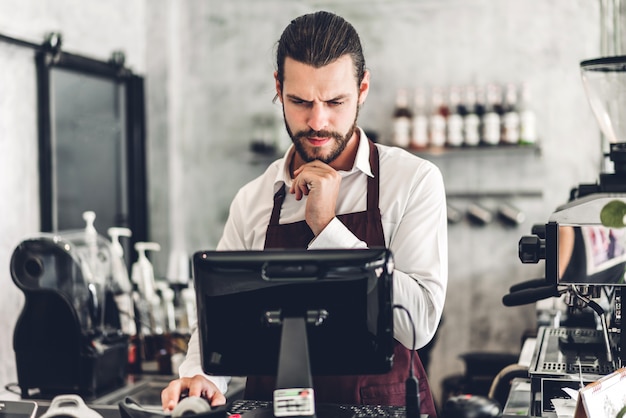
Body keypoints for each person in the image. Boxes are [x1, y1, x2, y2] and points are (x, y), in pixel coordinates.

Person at [161, 10, 447, 417]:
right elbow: (219, 321)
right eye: (300, 101)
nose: (317, 121)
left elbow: (418, 326)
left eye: (335, 101)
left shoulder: (413, 181)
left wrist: (327, 227)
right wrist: (201, 377)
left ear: (362, 89)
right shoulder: (254, 199)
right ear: (278, 88)